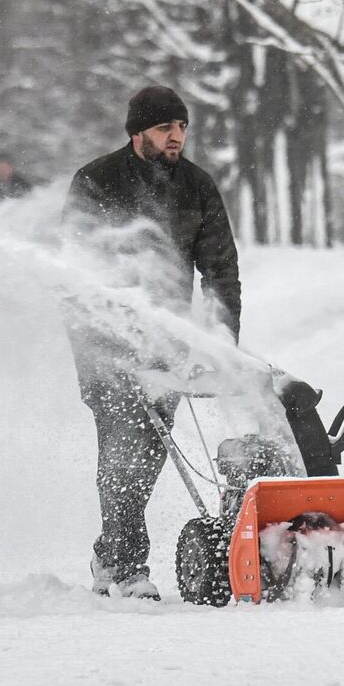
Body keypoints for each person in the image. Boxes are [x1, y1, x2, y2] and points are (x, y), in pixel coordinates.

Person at [60, 84, 241, 599]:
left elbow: (221, 271)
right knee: (122, 447)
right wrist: (108, 329)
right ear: (138, 132)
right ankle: (129, 571)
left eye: (182, 127)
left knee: (150, 451)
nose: (176, 138)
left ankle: (107, 554)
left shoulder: (197, 186)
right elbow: (77, 265)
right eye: (165, 128)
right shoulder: (96, 180)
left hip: (166, 341)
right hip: (102, 341)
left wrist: (222, 338)